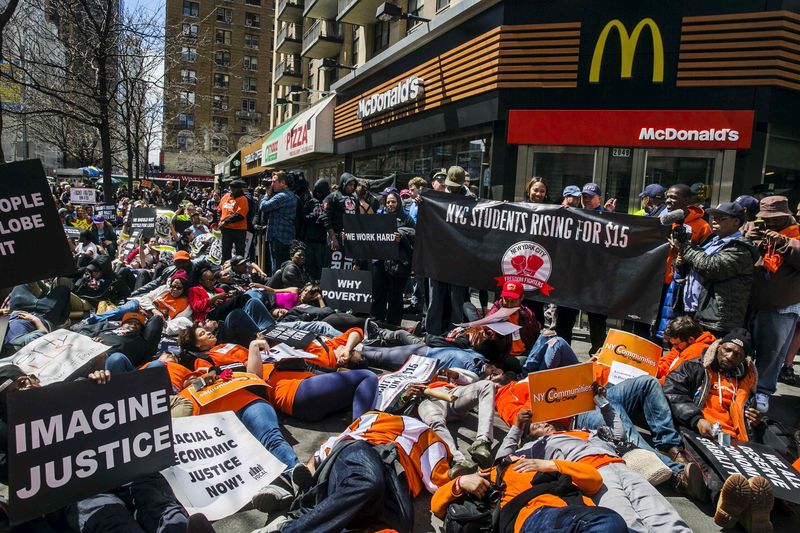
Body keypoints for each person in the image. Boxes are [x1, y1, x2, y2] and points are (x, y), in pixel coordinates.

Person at [496, 400, 691, 533]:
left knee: (664, 515)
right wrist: (517, 427)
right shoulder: (536, 446)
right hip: (595, 477)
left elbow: (618, 435)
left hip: (622, 467)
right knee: (628, 522)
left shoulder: (583, 431)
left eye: (544, 421)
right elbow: (502, 460)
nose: (543, 425)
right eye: (536, 426)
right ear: (530, 436)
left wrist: (602, 401)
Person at [253, 412, 450, 532]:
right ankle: (290, 526)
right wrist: (312, 467)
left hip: (394, 480)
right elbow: (340, 440)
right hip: (365, 451)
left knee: (399, 526)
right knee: (366, 482)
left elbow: (441, 483)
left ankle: (302, 512)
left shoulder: (429, 435)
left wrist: (462, 483)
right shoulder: (371, 416)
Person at [662, 329, 775, 532]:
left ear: (744, 359)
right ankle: (733, 509)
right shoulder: (696, 367)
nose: (730, 357)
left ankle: (748, 514)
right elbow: (672, 391)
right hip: (699, 432)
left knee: (751, 476)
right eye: (728, 350)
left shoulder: (745, 381)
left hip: (735, 438)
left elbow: (746, 412)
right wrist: (696, 419)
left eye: (738, 355)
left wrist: (756, 418)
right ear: (719, 347)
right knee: (714, 468)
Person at [432, 448, 627, 533]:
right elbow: (436, 505)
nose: (519, 456)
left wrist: (552, 464)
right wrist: (462, 482)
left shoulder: (549, 467)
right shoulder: (489, 475)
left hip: (580, 514)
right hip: (535, 518)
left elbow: (594, 481)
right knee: (610, 522)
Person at [745, 195, 800, 411]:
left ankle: (763, 393)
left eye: (775, 218)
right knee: (747, 348)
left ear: (786, 215)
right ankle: (743, 388)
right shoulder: (758, 229)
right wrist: (749, 236)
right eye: (766, 218)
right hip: (754, 301)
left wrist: (782, 242)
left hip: (782, 306)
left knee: (772, 353)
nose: (770, 223)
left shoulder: (795, 234)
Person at [673, 202, 758, 337]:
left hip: (716, 317)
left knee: (709, 355)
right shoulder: (712, 239)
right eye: (713, 217)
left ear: (736, 222)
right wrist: (681, 263)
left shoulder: (740, 248)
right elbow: (695, 263)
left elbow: (710, 267)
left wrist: (685, 247)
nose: (714, 221)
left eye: (721, 218)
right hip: (695, 311)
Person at [463, 280, 541, 363]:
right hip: (505, 357)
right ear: (502, 298)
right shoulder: (494, 314)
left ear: (521, 298)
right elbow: (489, 343)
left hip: (526, 352)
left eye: (513, 301)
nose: (510, 305)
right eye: (506, 300)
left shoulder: (527, 314)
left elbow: (535, 333)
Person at [371, 191, 415, 325]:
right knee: (378, 292)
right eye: (388, 202)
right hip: (379, 262)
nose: (390, 204)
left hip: (397, 263)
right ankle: (377, 319)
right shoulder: (379, 217)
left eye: (393, 201)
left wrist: (401, 235)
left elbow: (414, 234)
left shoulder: (407, 218)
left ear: (399, 202)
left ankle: (393, 323)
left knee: (395, 295)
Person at [657, 315, 716, 384]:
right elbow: (666, 362)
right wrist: (652, 370)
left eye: (675, 344)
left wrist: (651, 384)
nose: (674, 347)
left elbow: (673, 379)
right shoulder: (681, 345)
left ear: (690, 339)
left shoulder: (695, 351)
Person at [260, 171, 298, 273]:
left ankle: (277, 287)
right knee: (283, 265)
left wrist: (267, 195)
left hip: (279, 237)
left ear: (282, 183)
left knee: (277, 267)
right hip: (285, 236)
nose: (272, 184)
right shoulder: (290, 195)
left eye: (274, 182)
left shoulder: (282, 196)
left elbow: (264, 207)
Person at [320, 172, 358, 262]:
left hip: (349, 239)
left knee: (347, 265)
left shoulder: (354, 199)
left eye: (353, 185)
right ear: (343, 183)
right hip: (335, 237)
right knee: (333, 265)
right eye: (350, 184)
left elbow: (357, 219)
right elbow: (326, 218)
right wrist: (333, 237)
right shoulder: (332, 197)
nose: (352, 187)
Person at [302, 179, 330, 280]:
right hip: (309, 239)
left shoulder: (328, 202)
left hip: (321, 241)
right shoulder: (311, 202)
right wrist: (314, 215)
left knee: (320, 266)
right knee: (309, 266)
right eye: (317, 192)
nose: (318, 194)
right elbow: (303, 218)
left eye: (320, 192)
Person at [218, 179, 250, 262]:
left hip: (239, 230)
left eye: (234, 189)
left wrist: (225, 221)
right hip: (226, 229)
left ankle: (239, 270)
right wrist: (220, 220)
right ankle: (226, 271)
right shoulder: (225, 196)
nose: (232, 191)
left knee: (239, 253)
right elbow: (219, 210)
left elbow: (240, 215)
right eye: (231, 188)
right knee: (225, 252)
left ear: (239, 189)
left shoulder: (243, 199)